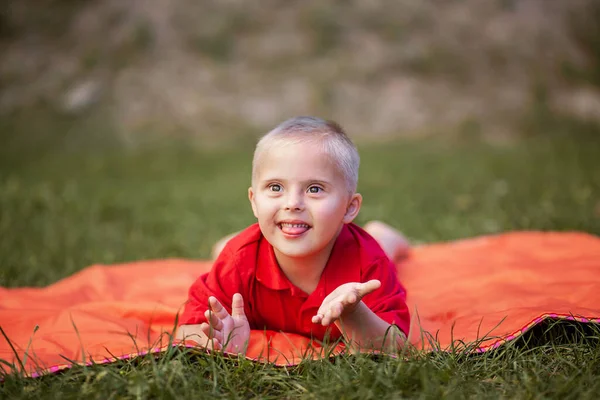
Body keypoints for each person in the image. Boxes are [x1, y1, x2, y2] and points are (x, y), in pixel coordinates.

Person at [176, 116, 411, 354]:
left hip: (364, 249)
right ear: (254, 201)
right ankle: (225, 242)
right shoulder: (238, 260)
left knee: (381, 247)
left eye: (315, 189)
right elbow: (188, 328)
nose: (292, 203)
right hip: (245, 249)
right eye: (276, 187)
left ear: (349, 207)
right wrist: (218, 342)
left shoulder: (367, 262)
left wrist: (354, 312)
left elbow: (396, 345)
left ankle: (383, 234)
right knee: (229, 249)